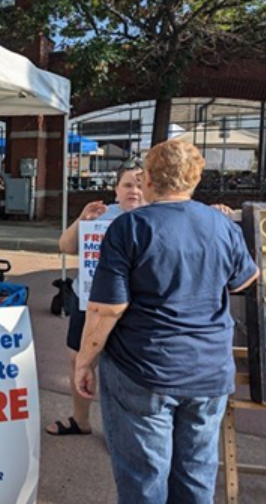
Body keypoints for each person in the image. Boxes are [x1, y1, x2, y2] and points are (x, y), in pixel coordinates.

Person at [75, 140, 258, 504]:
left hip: (144, 368)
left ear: (147, 179)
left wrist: (85, 360)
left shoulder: (130, 228)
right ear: (195, 178)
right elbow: (246, 280)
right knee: (196, 474)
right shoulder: (221, 225)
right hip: (208, 370)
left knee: (144, 476)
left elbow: (107, 308)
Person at [46, 160, 145, 436]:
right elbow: (65, 246)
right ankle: (81, 420)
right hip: (88, 299)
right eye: (127, 185)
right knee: (79, 358)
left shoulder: (157, 218)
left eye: (139, 185)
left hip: (132, 306)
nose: (133, 191)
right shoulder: (102, 216)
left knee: (128, 368)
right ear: (116, 189)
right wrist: (82, 220)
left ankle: (126, 432)